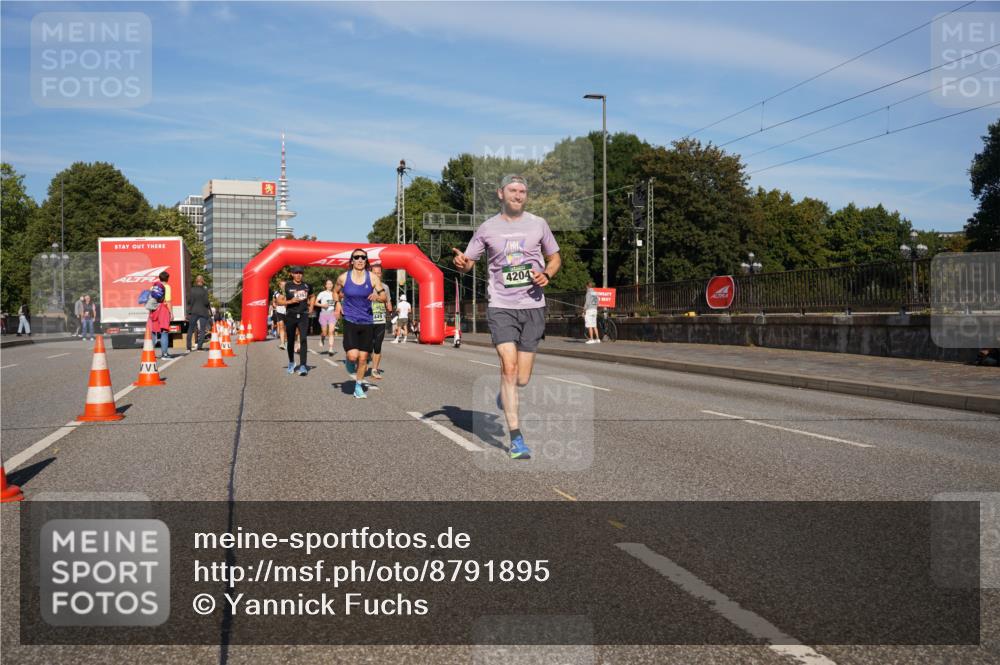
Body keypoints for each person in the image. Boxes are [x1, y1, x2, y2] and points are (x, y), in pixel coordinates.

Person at [452, 174, 560, 460]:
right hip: (501, 306)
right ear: (501, 193)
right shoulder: (487, 228)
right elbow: (469, 261)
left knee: (522, 378)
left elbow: (555, 257)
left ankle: (506, 392)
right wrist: (462, 263)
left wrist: (547, 274)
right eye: (512, 190)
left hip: (533, 306)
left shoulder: (538, 224)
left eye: (522, 191)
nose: (518, 195)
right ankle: (516, 439)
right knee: (508, 369)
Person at [334, 249, 388, 399]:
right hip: (350, 320)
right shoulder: (343, 277)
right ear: (352, 260)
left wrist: (378, 297)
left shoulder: (372, 278)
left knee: (363, 358)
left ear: (366, 260)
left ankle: (358, 387)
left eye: (363, 257)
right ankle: (349, 361)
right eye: (356, 257)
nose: (360, 260)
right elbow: (335, 292)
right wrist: (337, 303)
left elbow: (384, 296)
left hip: (367, 321)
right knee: (353, 356)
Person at [276, 267, 314, 375]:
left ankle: (303, 365)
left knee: (303, 339)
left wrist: (311, 307)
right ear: (292, 274)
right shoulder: (287, 286)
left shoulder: (307, 286)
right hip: (291, 315)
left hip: (303, 315)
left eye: (300, 273)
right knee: (291, 340)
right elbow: (279, 301)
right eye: (296, 273)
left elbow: (312, 296)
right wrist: (290, 301)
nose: (298, 275)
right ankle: (291, 362)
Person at [368, 262, 393, 379]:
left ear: (381, 274)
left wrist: (389, 305)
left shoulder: (385, 287)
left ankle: (374, 370)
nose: (377, 275)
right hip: (367, 320)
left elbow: (388, 301)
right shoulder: (366, 286)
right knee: (368, 346)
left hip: (380, 319)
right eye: (375, 273)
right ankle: (365, 358)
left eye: (379, 273)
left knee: (377, 346)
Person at [148, 271, 174, 359]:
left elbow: (151, 299)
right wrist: (171, 313)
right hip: (163, 310)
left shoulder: (153, 287)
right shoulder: (167, 287)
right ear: (167, 278)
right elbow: (168, 301)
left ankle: (150, 353)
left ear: (160, 278)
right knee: (164, 331)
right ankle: (164, 354)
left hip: (154, 310)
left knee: (153, 332)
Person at [186, 274, 212, 351]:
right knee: (202, 329)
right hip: (203, 312)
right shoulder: (204, 290)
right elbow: (206, 302)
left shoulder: (192, 290)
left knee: (191, 329)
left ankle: (188, 347)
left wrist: (189, 310)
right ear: (202, 281)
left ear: (196, 281)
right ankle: (199, 346)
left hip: (193, 311)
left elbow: (189, 301)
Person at [316, 278, 339, 355]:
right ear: (325, 285)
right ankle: (322, 338)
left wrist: (337, 312)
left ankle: (331, 348)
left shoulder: (334, 294)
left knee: (331, 331)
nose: (330, 285)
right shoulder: (322, 293)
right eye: (328, 284)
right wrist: (323, 305)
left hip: (332, 314)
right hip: (323, 314)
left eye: (331, 284)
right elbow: (315, 303)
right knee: (324, 332)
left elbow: (337, 303)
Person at [272, 279, 287, 350]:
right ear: (279, 285)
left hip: (288, 311)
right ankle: (282, 343)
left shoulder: (289, 292)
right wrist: (275, 305)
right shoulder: (276, 292)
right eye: (282, 285)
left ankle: (286, 340)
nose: (283, 286)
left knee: (286, 327)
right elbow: (273, 301)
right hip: (279, 311)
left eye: (285, 285)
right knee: (281, 326)